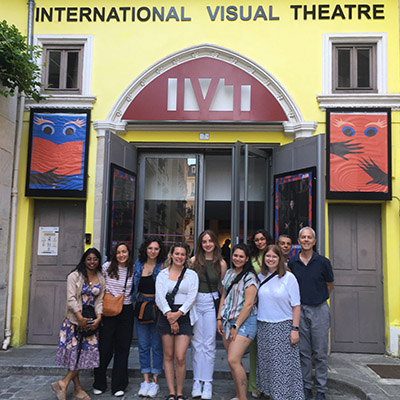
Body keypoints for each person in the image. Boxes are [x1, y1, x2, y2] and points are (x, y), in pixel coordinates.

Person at [52, 248, 105, 400]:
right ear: (84, 260)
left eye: (95, 259)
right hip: (74, 321)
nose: (92, 262)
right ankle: (74, 387)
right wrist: (79, 317)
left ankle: (64, 383)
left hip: (91, 321)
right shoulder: (74, 276)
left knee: (86, 355)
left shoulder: (101, 277)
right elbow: (70, 299)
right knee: (75, 354)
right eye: (89, 259)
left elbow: (100, 300)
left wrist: (99, 317)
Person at [288, 227, 334, 400]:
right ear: (298, 241)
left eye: (309, 237)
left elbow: (330, 284)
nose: (306, 240)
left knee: (320, 352)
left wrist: (319, 298)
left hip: (319, 309)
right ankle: (307, 387)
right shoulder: (292, 263)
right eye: (303, 237)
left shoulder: (323, 262)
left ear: (314, 241)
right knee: (304, 352)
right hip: (300, 310)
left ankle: (321, 389)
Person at [256, 245, 304, 400]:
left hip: (283, 326)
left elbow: (296, 305)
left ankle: (284, 396)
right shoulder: (260, 277)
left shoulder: (289, 278)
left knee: (282, 367)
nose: (270, 259)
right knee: (268, 365)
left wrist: (294, 328)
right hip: (264, 326)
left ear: (280, 259)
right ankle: (272, 395)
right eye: (268, 256)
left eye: (274, 257)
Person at [155, 242, 199, 400]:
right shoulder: (163, 274)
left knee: (180, 356)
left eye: (182, 254)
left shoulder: (192, 275)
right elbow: (159, 297)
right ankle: (172, 392)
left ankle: (180, 392)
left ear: (186, 257)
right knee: (168, 355)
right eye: (177, 253)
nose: (179, 257)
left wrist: (178, 315)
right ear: (171, 255)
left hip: (184, 315)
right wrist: (170, 315)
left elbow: (192, 296)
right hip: (165, 314)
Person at [217, 243, 258, 400]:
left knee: (233, 359)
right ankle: (239, 394)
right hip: (228, 320)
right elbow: (223, 296)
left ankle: (243, 398)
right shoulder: (228, 273)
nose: (238, 259)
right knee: (234, 361)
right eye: (235, 255)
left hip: (244, 322)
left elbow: (248, 305)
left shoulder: (250, 277)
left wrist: (236, 325)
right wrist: (219, 317)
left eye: (241, 256)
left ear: (247, 258)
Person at [93, 242, 135, 397]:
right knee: (105, 348)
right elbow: (97, 283)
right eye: (118, 252)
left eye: (124, 252)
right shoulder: (106, 267)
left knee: (123, 349)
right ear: (114, 254)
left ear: (128, 253)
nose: (121, 255)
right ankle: (99, 382)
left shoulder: (132, 269)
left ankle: (119, 385)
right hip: (108, 310)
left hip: (126, 310)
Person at [191, 230, 228, 399]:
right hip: (195, 303)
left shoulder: (221, 263)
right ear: (200, 244)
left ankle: (208, 382)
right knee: (197, 343)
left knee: (209, 344)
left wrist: (220, 314)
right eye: (204, 241)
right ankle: (197, 381)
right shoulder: (193, 262)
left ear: (215, 243)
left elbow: (223, 291)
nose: (207, 244)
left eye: (210, 241)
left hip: (212, 304)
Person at [133, 237, 166, 397]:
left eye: (156, 248)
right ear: (145, 249)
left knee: (157, 346)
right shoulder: (138, 265)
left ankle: (155, 381)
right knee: (144, 345)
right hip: (141, 306)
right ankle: (145, 380)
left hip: (158, 308)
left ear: (160, 251)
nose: (153, 251)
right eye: (150, 248)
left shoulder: (163, 266)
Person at [248, 229, 273, 398]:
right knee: (254, 349)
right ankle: (254, 385)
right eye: (257, 240)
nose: (260, 242)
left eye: (262, 239)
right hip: (255, 305)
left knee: (270, 349)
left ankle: (270, 385)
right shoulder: (251, 259)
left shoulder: (274, 255)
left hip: (272, 306)